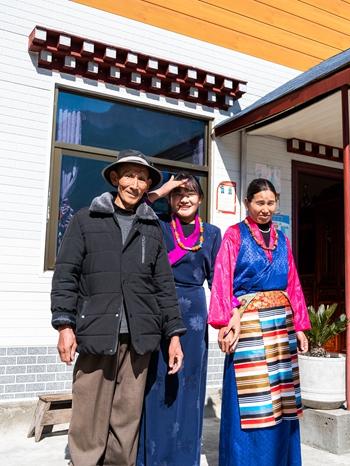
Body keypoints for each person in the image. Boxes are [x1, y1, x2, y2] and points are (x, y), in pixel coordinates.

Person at [51, 149, 185, 466]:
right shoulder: (86, 220)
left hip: (140, 337)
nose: (135, 184)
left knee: (127, 416)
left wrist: (174, 335)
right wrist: (65, 326)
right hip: (96, 331)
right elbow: (66, 274)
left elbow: (164, 284)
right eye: (129, 176)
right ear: (115, 178)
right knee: (88, 413)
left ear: (148, 185)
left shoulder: (151, 227)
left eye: (142, 178)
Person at [209, 178, 310, 466]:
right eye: (259, 203)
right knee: (252, 401)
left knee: (282, 399)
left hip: (281, 328)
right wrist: (227, 320)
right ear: (247, 203)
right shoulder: (234, 235)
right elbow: (222, 278)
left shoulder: (283, 240)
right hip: (249, 326)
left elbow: (293, 283)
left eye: (270, 203)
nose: (265, 209)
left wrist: (300, 327)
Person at [137, 172, 222, 466]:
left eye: (190, 193)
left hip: (194, 319)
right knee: (157, 382)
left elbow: (219, 282)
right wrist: (164, 189)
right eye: (178, 194)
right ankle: (154, 456)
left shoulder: (211, 234)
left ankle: (184, 458)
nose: (184, 199)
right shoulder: (159, 225)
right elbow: (137, 206)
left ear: (201, 199)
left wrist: (228, 320)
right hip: (160, 309)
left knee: (189, 385)